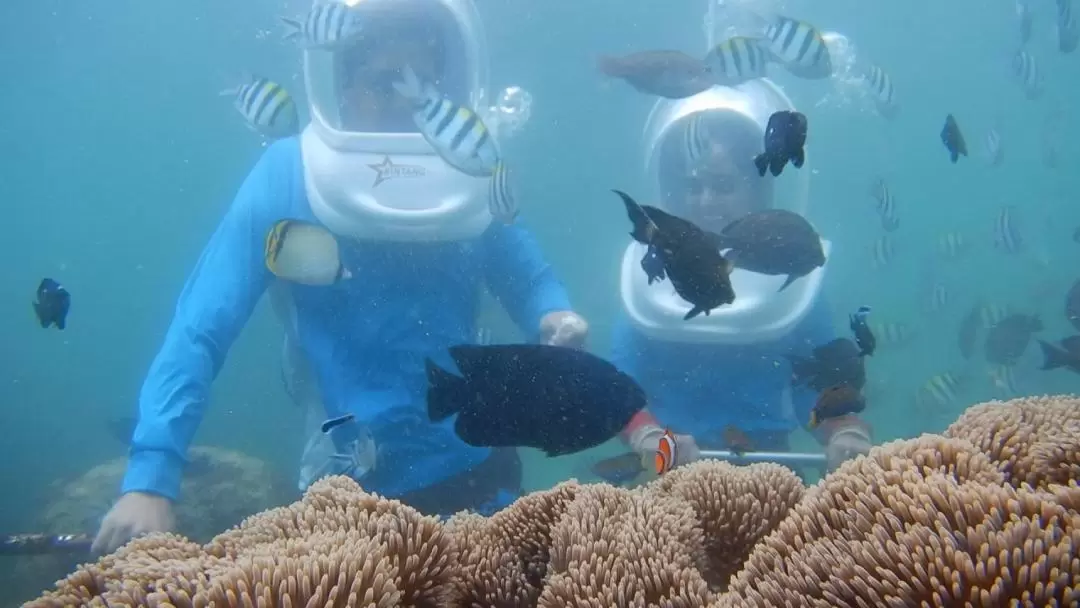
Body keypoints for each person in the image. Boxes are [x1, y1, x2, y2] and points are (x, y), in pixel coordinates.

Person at [91, 0, 588, 554]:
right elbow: (202, 325)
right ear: (341, 87)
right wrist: (150, 477)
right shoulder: (288, 175)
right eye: (384, 83)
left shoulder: (467, 173)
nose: (408, 102)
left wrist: (556, 316)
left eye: (425, 82)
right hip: (345, 483)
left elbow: (528, 276)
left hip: (480, 466)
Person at [610, 81, 873, 477]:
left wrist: (844, 430)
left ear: (759, 188)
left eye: (723, 185)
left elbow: (814, 381)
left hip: (772, 469)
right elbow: (619, 381)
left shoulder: (792, 276)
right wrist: (646, 435)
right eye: (691, 186)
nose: (705, 200)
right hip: (669, 465)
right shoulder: (653, 277)